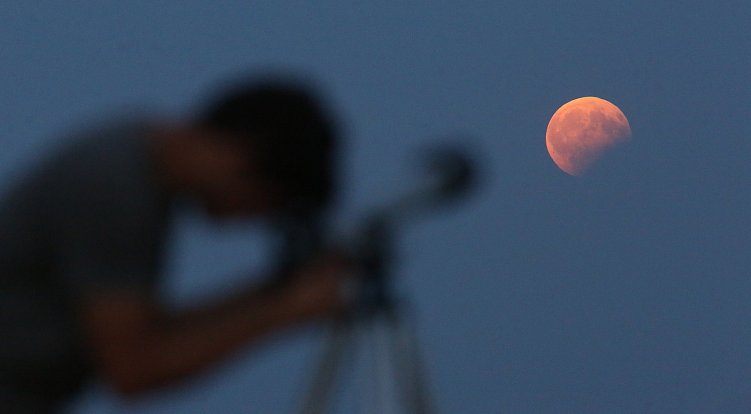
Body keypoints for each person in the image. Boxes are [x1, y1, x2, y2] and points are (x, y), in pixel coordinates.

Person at [0, 76, 355, 412]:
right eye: (267, 202)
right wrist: (283, 311)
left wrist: (273, 295)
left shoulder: (134, 168)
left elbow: (149, 336)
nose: (250, 219)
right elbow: (136, 369)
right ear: (238, 157)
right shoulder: (115, 186)